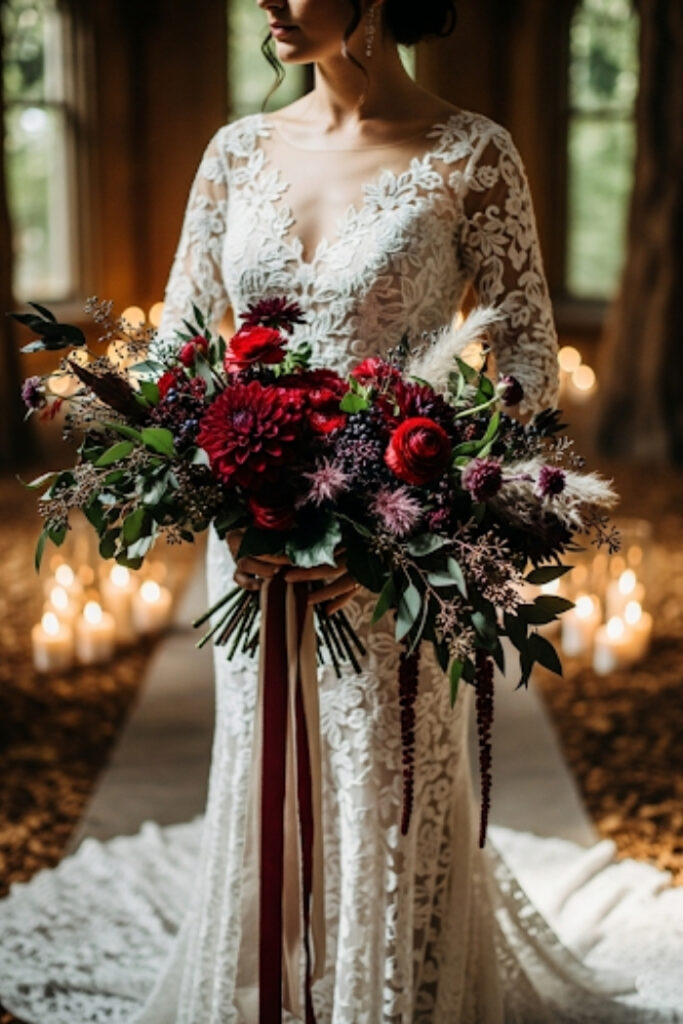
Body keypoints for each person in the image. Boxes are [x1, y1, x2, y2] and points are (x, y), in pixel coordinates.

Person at [0, 2, 682, 1022]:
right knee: (272, 769)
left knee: (386, 781)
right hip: (259, 542)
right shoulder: (234, 152)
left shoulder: (469, 154)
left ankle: (393, 989)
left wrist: (393, 523)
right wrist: (211, 487)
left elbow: (528, 372)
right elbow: (180, 350)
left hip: (394, 547)